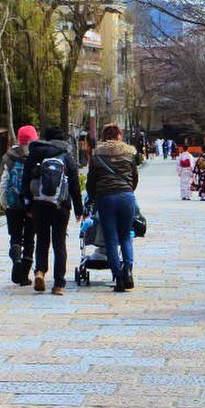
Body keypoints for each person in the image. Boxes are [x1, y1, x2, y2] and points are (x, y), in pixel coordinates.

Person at [22, 125, 83, 296]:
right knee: (59, 243)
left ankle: (40, 272)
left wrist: (28, 205)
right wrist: (79, 208)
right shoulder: (66, 155)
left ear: (45, 138)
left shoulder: (35, 153)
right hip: (61, 204)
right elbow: (75, 184)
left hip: (39, 203)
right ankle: (59, 284)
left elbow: (26, 179)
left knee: (42, 240)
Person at [86, 122, 139, 292]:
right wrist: (127, 190)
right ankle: (128, 271)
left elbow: (90, 183)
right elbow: (135, 178)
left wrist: (94, 198)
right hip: (126, 197)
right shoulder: (129, 155)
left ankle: (118, 277)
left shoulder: (97, 156)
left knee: (111, 239)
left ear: (103, 137)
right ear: (119, 136)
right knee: (125, 237)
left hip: (106, 198)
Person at [0, 124, 38, 285]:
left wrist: (3, 201)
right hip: (32, 204)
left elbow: (3, 181)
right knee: (29, 238)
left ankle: (16, 260)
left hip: (13, 204)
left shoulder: (9, 156)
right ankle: (24, 276)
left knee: (15, 237)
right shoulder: (36, 157)